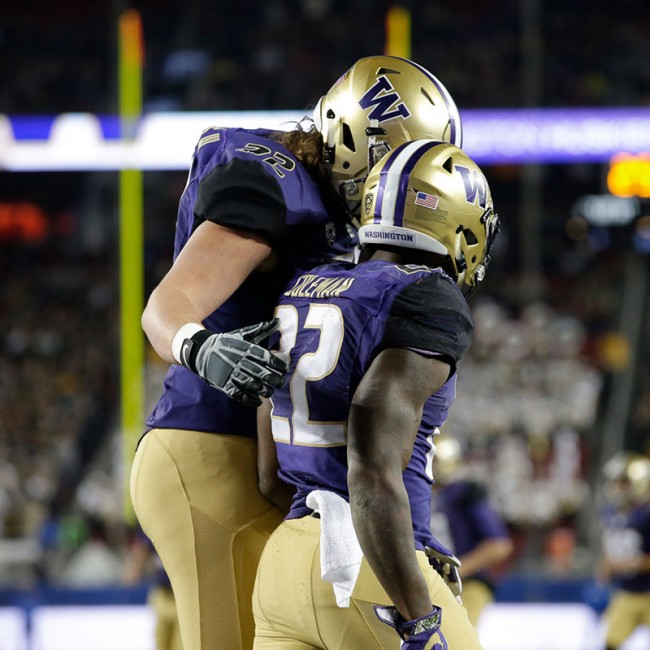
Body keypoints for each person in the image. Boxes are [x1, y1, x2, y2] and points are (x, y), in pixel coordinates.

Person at [130, 55, 464, 650]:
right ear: (353, 141)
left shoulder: (338, 215)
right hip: (210, 446)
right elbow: (166, 306)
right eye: (398, 165)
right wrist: (199, 344)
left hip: (270, 465)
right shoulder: (278, 181)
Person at [254, 139, 500, 649]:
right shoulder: (423, 293)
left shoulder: (304, 284)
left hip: (282, 568)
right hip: (367, 566)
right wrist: (417, 617)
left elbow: (268, 472)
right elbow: (369, 471)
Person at [430, 437, 513, 627]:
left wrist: (457, 571)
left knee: (458, 638)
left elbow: (499, 545)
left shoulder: (464, 494)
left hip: (466, 584)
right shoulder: (412, 494)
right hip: (423, 584)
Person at [597, 451, 650, 650]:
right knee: (611, 642)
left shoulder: (646, 515)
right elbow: (614, 548)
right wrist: (605, 567)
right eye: (616, 482)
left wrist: (625, 564)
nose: (617, 488)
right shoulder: (610, 513)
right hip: (627, 591)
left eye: (623, 482)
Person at [122, 527, 183, 650]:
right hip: (162, 593)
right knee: (160, 640)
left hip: (182, 596)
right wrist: (134, 568)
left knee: (180, 644)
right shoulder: (155, 521)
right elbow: (142, 547)